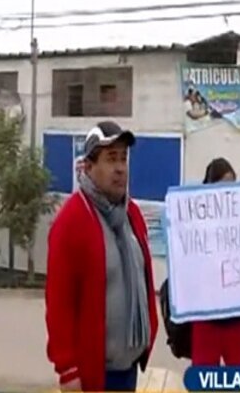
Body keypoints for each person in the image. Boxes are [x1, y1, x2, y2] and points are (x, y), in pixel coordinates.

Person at [45, 121, 158, 392]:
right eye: (110, 159)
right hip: (94, 374)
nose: (120, 168)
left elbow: (143, 278)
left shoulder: (132, 214)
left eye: (123, 158)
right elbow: (59, 303)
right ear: (88, 167)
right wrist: (67, 370)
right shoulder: (72, 221)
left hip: (129, 369)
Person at [190, 157, 240, 366]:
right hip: (206, 315)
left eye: (232, 186)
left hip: (235, 314)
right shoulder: (196, 222)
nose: (228, 193)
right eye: (223, 186)